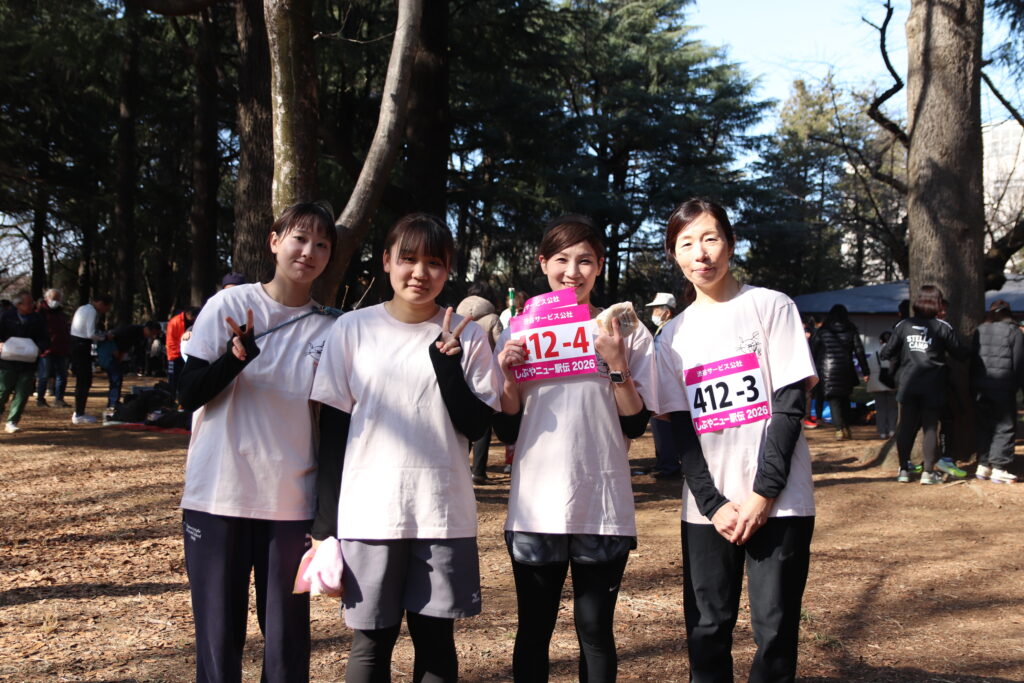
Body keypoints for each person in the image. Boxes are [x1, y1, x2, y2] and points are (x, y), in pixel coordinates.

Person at [310, 213, 499, 683]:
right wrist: (324, 525)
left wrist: (448, 367)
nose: (419, 272)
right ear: (386, 261)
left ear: (448, 269)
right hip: (369, 514)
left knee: (435, 642)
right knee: (371, 643)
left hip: (442, 513)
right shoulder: (352, 329)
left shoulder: (469, 335)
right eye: (408, 259)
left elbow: (478, 426)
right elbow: (333, 432)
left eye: (434, 262)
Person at [656, 198, 816, 683]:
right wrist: (712, 503)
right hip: (709, 510)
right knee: (707, 627)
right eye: (687, 243)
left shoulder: (771, 306)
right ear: (674, 255)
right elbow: (680, 429)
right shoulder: (671, 336)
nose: (701, 253)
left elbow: (789, 406)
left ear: (730, 243)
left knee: (775, 628)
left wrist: (763, 494)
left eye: (710, 238)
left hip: (781, 503)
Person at [177, 201, 338, 683]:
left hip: (289, 502)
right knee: (218, 639)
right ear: (274, 241)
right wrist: (234, 358)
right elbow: (187, 393)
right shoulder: (228, 306)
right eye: (299, 238)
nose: (308, 251)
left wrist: (328, 517)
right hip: (217, 494)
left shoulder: (330, 328)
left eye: (321, 244)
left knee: (287, 645)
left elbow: (334, 425)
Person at [494, 214, 657, 682]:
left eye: (585, 260)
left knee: (595, 630)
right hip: (536, 505)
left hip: (601, 502)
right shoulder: (519, 331)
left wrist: (617, 363)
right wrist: (508, 377)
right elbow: (506, 429)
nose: (572, 272)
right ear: (543, 263)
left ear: (600, 266)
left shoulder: (623, 331)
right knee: (534, 629)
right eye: (561, 260)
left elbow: (637, 422)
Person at [880, 285, 969, 484]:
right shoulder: (942, 327)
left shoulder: (904, 325)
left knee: (906, 426)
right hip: (933, 385)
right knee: (930, 427)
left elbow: (886, 352)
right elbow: (960, 353)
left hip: (909, 384)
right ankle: (928, 472)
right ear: (938, 304)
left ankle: (903, 470)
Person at [456, 281, 504, 484]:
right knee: (484, 422)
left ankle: (459, 468)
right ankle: (478, 471)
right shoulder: (493, 318)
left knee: (463, 422)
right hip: (487, 375)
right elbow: (501, 346)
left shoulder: (457, 316)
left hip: (462, 372)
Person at [971, 299, 1022, 483]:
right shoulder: (1014, 331)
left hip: (980, 387)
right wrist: (1018, 386)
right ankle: (999, 467)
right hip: (1003, 386)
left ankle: (983, 465)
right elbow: (1018, 362)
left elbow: (974, 359)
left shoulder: (980, 330)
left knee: (984, 426)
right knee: (1004, 427)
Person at [810, 304, 868, 441]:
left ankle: (839, 429)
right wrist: (866, 371)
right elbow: (859, 351)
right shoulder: (851, 329)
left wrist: (813, 370)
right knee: (845, 399)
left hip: (827, 370)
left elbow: (813, 350)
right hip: (846, 369)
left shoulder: (823, 330)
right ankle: (846, 427)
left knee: (834, 400)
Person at [0, 291, 50, 433]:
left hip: (28, 362)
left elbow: (45, 338)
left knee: (22, 393)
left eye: (32, 302)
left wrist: (39, 348)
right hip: (7, 361)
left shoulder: (38, 319)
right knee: (3, 390)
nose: (32, 305)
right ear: (18, 304)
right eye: (28, 303)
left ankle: (12, 421)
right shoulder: (5, 316)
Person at [646, 292, 681, 478]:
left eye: (656, 309)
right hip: (661, 385)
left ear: (667, 312)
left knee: (663, 424)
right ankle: (664, 464)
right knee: (660, 424)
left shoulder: (672, 330)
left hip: (667, 387)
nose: (653, 313)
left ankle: (669, 466)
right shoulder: (665, 329)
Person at [69, 293, 113, 424]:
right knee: (84, 380)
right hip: (81, 346)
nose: (105, 311)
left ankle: (79, 411)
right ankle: (79, 413)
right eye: (106, 308)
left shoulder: (83, 308)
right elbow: (91, 333)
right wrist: (105, 337)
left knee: (83, 380)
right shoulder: (92, 312)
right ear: (101, 303)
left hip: (75, 345)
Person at [104, 321, 162, 414]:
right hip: (110, 351)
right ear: (147, 329)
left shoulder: (142, 337)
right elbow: (116, 338)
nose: (152, 336)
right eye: (153, 333)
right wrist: (116, 354)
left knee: (118, 377)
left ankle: (114, 402)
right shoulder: (131, 330)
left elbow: (137, 352)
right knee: (116, 378)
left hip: (119, 354)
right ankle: (112, 403)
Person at [36, 288, 71, 408]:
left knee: (62, 375)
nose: (55, 301)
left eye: (58, 299)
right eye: (53, 298)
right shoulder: (40, 313)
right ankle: (40, 399)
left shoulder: (61, 314)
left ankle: (59, 399)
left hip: (61, 348)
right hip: (46, 349)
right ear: (47, 298)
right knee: (44, 375)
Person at [866, 331, 898, 439]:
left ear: (880, 341)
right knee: (893, 408)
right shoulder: (896, 353)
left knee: (880, 409)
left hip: (878, 383)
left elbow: (870, 367)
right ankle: (892, 429)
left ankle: (882, 432)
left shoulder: (875, 353)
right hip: (892, 383)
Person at [166, 306, 199, 400]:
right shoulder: (175, 322)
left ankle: (182, 398)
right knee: (174, 379)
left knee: (185, 378)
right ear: (188, 314)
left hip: (186, 354)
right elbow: (171, 341)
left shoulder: (191, 322)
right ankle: (171, 399)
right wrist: (178, 353)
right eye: (194, 317)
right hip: (175, 355)